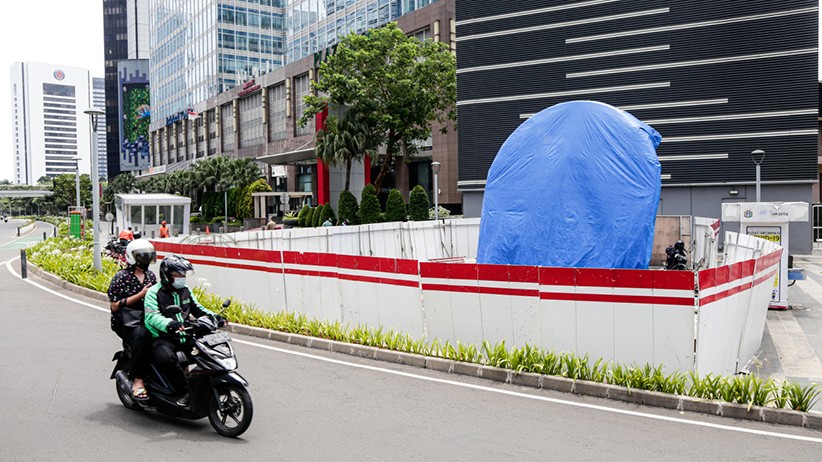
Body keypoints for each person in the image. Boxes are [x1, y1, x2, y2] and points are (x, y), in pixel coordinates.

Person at [144, 255, 225, 406]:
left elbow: (198, 308)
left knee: (207, 353)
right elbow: (152, 316)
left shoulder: (185, 290)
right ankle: (184, 391)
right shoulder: (154, 292)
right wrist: (170, 324)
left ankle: (204, 385)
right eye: (178, 275)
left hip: (186, 334)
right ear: (166, 275)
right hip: (164, 337)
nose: (182, 278)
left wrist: (215, 317)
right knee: (168, 359)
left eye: (184, 275)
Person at [107, 239, 158, 401]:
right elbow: (115, 306)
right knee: (142, 336)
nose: (146, 261)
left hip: (147, 317)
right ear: (132, 258)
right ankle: (138, 380)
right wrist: (140, 295)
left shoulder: (150, 276)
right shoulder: (121, 277)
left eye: (148, 257)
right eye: (142, 258)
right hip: (126, 320)